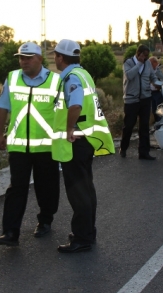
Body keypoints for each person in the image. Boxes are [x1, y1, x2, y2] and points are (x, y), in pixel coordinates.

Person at [0, 42, 60, 246]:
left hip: (46, 146)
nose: (24, 61)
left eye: (28, 57)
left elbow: (63, 111)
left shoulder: (55, 80)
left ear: (40, 59)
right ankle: (11, 232)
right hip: (19, 146)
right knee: (17, 188)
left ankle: (45, 220)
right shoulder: (12, 78)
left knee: (46, 187)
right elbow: (3, 108)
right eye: (21, 57)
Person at [51, 39, 115, 253]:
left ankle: (82, 238)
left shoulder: (71, 77)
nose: (54, 58)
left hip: (76, 142)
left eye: (55, 55)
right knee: (86, 188)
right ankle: (87, 231)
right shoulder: (83, 73)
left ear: (61, 57)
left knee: (78, 192)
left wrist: (69, 128)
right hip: (86, 139)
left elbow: (76, 104)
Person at [120, 45, 159, 160]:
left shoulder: (147, 63)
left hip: (145, 99)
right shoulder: (128, 62)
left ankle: (144, 152)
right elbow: (129, 76)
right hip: (131, 99)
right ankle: (123, 148)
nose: (146, 58)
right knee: (129, 126)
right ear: (139, 54)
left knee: (144, 127)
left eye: (147, 56)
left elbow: (152, 76)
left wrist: (157, 82)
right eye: (144, 55)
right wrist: (139, 64)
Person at [148, 57, 163, 122]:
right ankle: (156, 124)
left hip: (158, 93)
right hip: (152, 93)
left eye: (150, 63)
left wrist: (156, 84)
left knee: (159, 111)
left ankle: (159, 124)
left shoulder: (159, 70)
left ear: (155, 63)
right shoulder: (152, 70)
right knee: (154, 110)